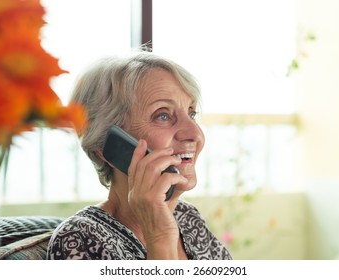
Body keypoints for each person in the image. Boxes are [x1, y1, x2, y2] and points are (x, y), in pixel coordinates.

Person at [47, 51, 232, 260]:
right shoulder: (78, 239)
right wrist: (160, 236)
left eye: (191, 113)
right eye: (163, 115)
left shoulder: (187, 217)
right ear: (109, 146)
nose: (195, 134)